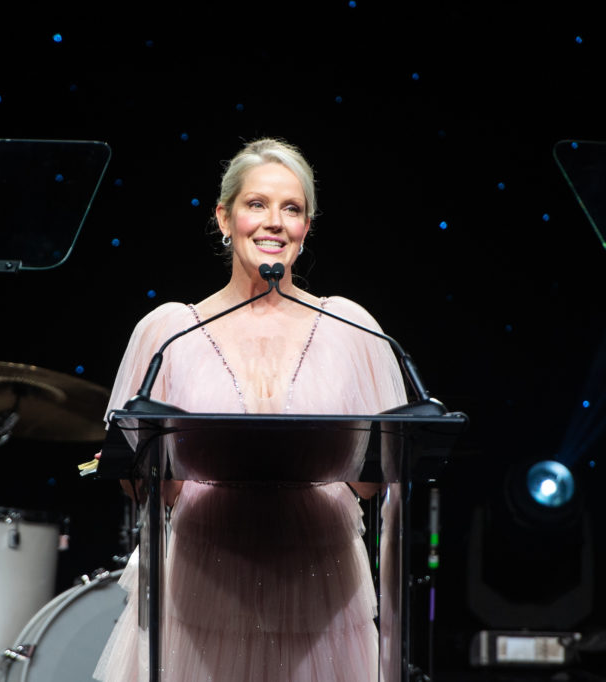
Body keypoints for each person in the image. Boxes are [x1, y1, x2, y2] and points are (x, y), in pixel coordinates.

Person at [93, 138, 407, 681]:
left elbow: (378, 481)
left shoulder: (350, 329)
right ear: (224, 217)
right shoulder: (170, 332)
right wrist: (145, 468)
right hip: (205, 577)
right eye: (256, 204)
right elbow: (148, 487)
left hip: (321, 579)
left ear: (307, 226)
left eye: (292, 208)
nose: (274, 222)